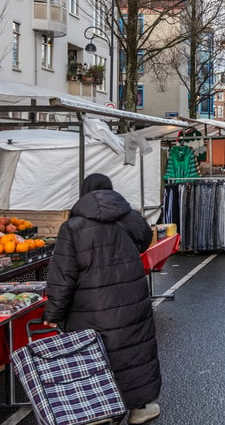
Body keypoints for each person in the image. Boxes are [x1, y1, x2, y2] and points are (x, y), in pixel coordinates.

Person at [42, 173, 161, 424]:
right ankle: (138, 408)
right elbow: (144, 240)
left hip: (90, 305)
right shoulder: (130, 217)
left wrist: (53, 313)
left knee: (94, 353)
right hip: (131, 299)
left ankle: (99, 409)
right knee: (133, 350)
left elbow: (62, 275)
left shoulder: (72, 227)